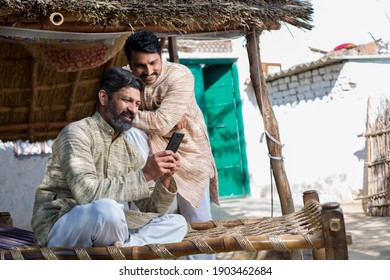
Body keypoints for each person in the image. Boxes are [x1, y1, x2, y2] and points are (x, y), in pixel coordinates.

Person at [31, 67, 187, 248]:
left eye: (137, 104)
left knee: (177, 223)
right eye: (127, 100)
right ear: (104, 98)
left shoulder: (127, 148)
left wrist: (165, 178)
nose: (133, 110)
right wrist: (145, 175)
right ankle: (126, 248)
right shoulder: (76, 133)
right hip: (62, 223)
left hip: (109, 227)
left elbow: (152, 210)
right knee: (107, 210)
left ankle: (125, 248)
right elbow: (87, 194)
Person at [124, 30, 219, 259]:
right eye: (140, 66)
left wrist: (127, 114)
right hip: (150, 160)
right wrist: (154, 120)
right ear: (129, 63)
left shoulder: (180, 76)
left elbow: (162, 121)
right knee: (150, 221)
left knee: (198, 226)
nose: (148, 71)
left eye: (153, 63)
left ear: (161, 56)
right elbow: (112, 110)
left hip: (189, 154)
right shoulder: (125, 78)